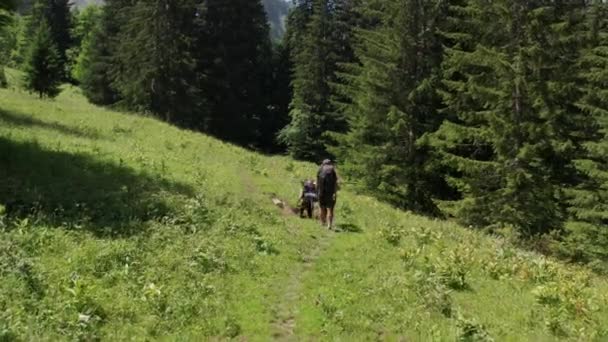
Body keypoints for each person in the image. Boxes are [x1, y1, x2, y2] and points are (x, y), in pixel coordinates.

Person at [317, 159, 339, 229]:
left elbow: (317, 183)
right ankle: (329, 225)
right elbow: (335, 183)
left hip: (321, 192)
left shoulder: (320, 169)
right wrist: (335, 193)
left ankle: (322, 223)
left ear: (323, 163)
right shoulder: (332, 170)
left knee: (322, 208)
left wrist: (317, 192)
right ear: (330, 164)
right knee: (330, 209)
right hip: (330, 193)